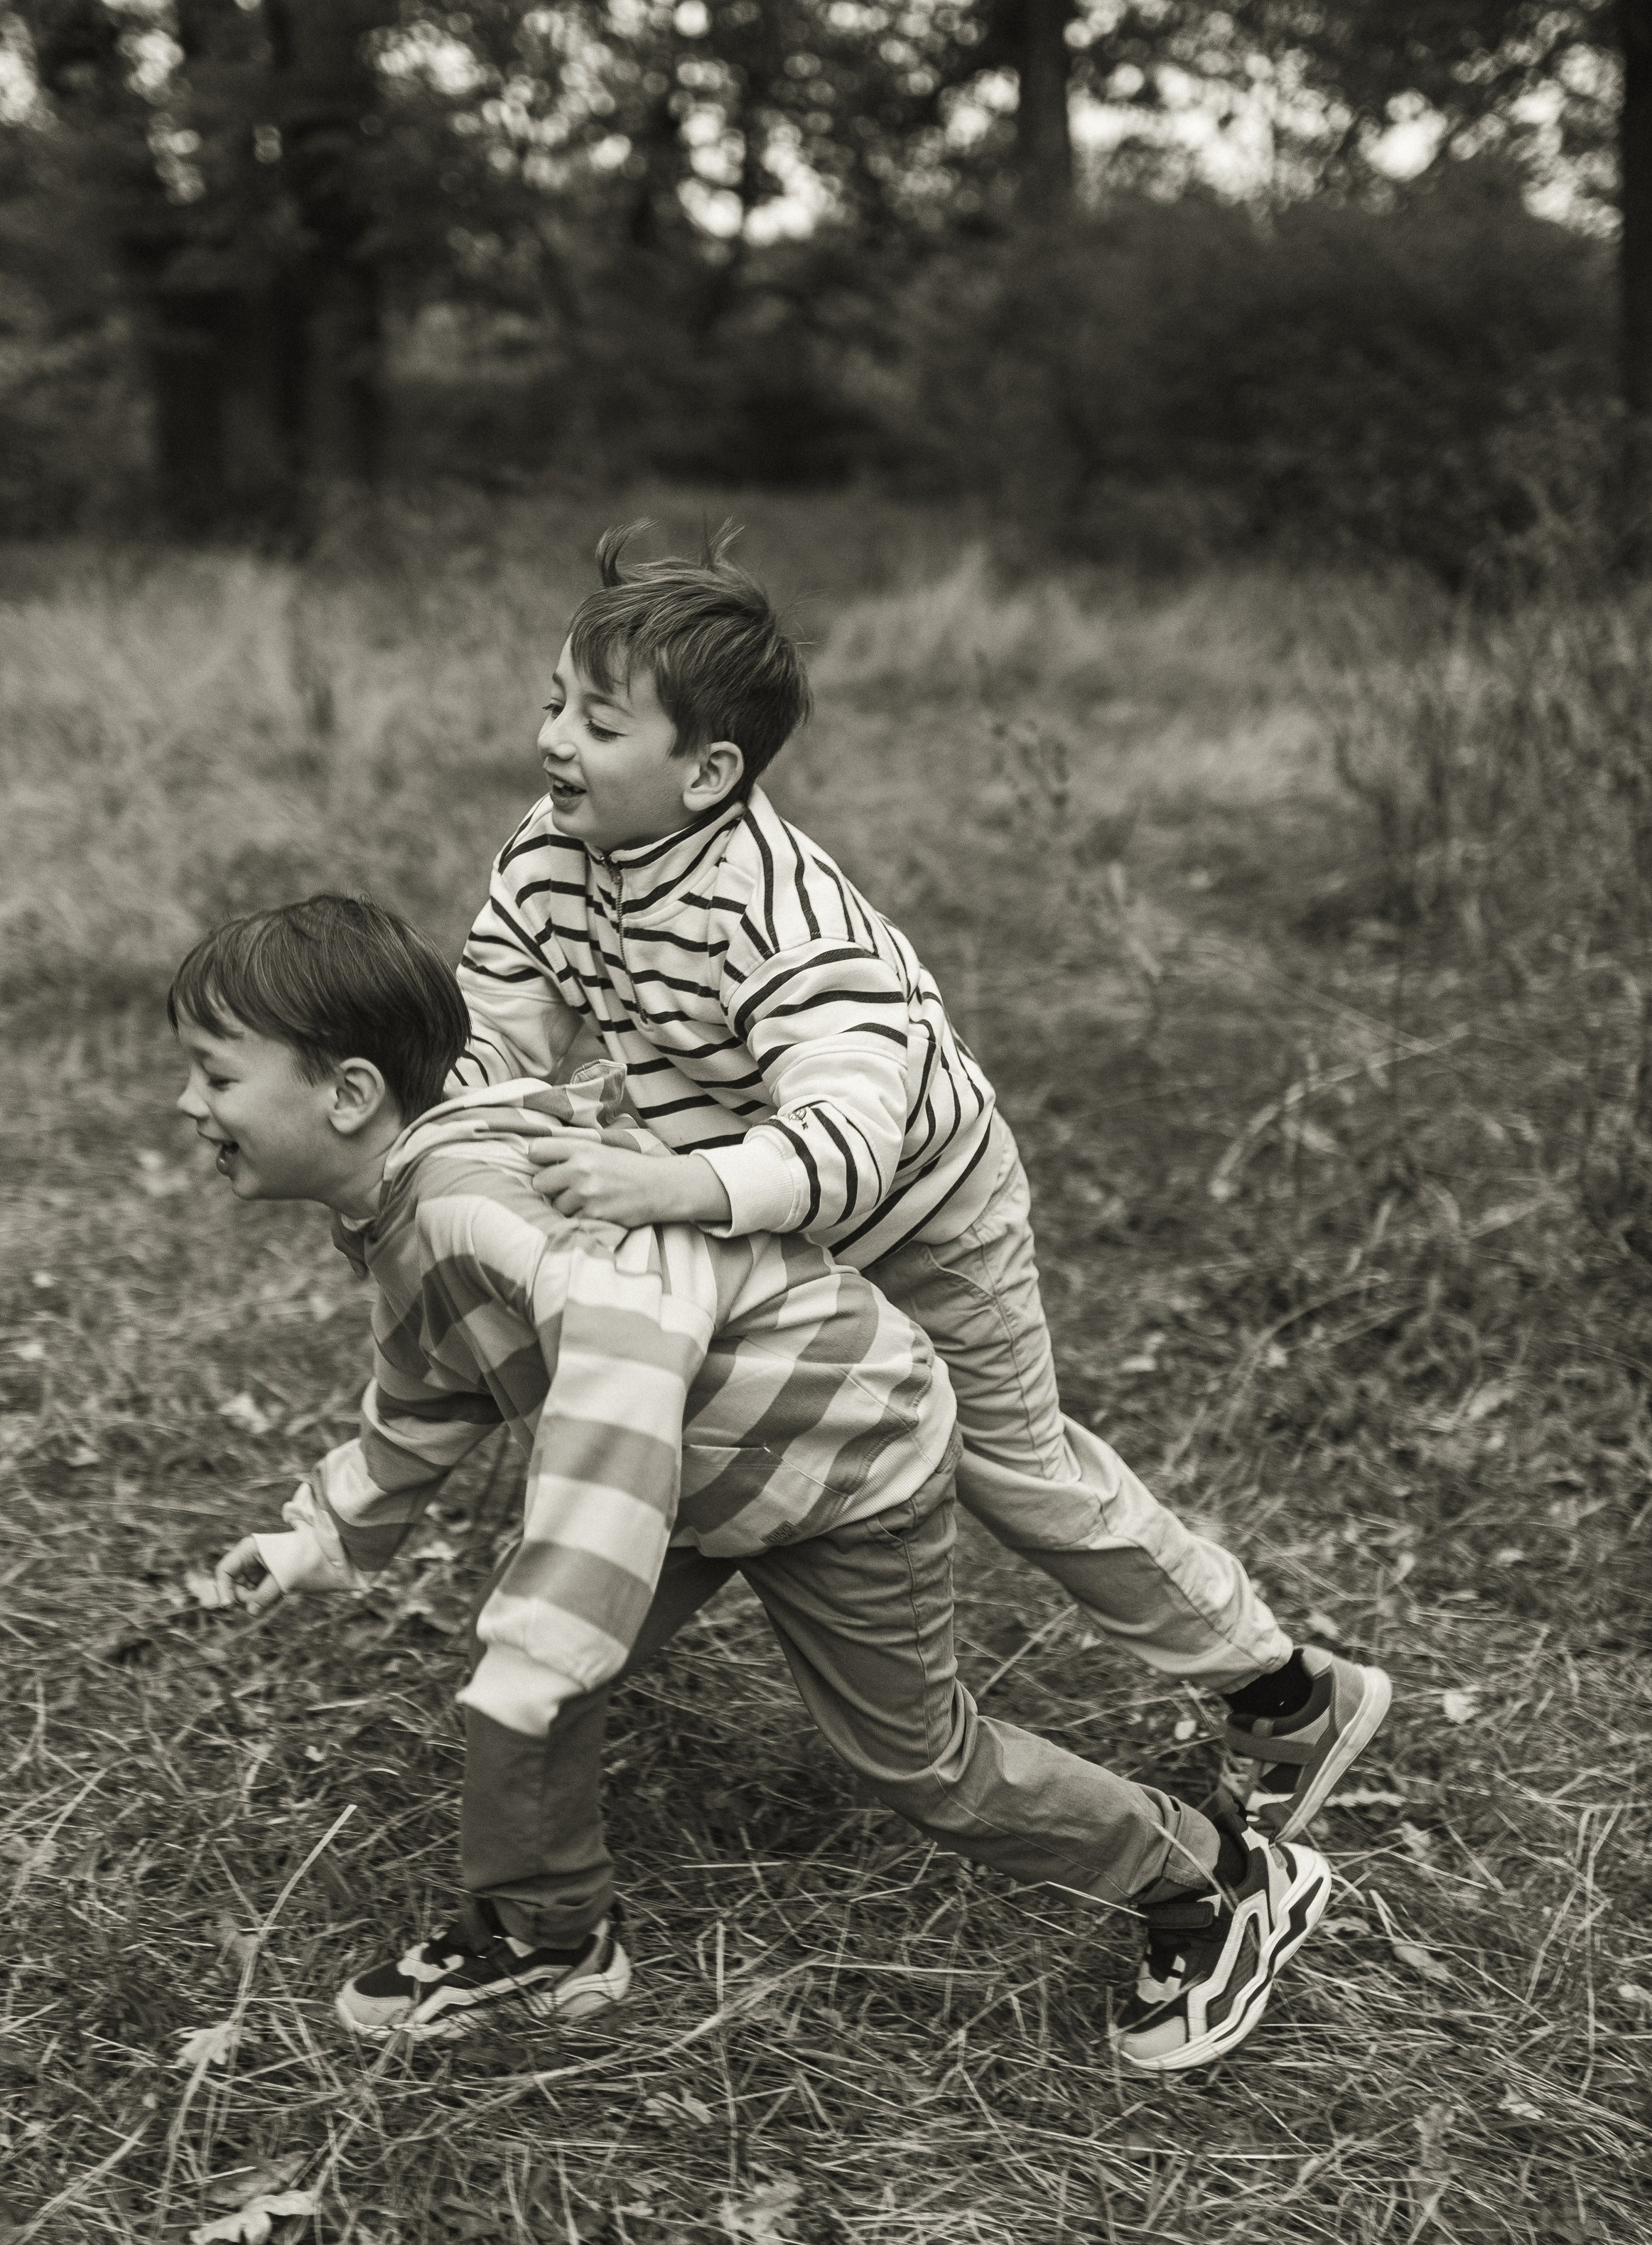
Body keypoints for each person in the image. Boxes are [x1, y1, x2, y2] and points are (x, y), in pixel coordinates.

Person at [173, 893, 1333, 2074]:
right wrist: (323, 1533)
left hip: (840, 1457)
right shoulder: (410, 1210)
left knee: (920, 1761)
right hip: (707, 1461)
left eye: (215, 1079)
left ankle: (1218, 1880)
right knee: (541, 1678)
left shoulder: (474, 1209)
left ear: (349, 1095)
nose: (189, 1106)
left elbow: (619, 1376)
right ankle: (548, 1937)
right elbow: (437, 1377)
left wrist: (555, 1623)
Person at [448, 527, 1391, 1838]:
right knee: (704, 1413)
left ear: (708, 771)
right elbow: (512, 1015)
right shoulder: (548, 856)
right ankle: (590, 1640)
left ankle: (1284, 1692)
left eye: (598, 725)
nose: (554, 741)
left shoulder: (783, 917)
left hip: (916, 1209)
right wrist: (459, 1110)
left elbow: (844, 1147)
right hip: (735, 1209)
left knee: (1015, 1471)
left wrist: (664, 1187)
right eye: (555, 703)